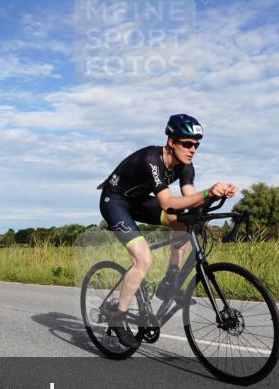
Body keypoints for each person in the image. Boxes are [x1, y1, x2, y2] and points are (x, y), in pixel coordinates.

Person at [97, 114, 238, 347]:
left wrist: (217, 194)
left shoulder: (185, 166)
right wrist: (207, 192)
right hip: (115, 202)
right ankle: (118, 316)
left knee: (183, 224)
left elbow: (189, 200)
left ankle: (170, 280)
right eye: (187, 143)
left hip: (139, 200)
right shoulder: (152, 160)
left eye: (196, 145)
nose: (192, 149)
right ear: (171, 141)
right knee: (144, 259)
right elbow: (166, 203)